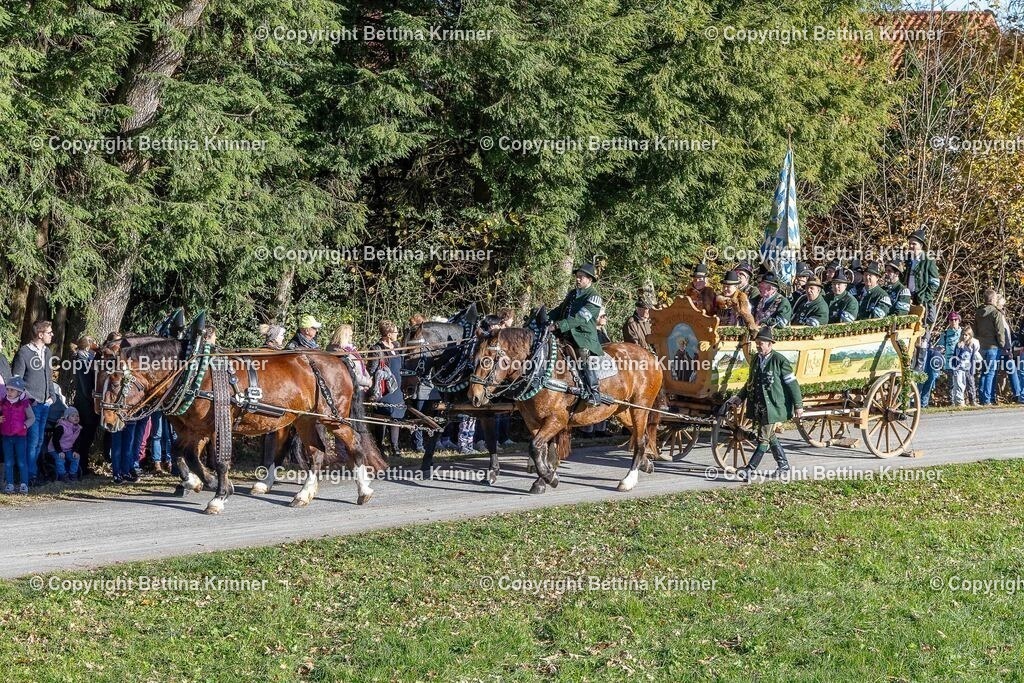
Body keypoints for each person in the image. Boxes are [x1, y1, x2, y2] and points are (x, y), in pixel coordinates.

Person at [727, 326, 803, 481]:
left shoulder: (780, 361)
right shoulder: (756, 359)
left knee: (763, 439)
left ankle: (749, 469)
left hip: (774, 407)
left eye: (761, 343)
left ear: (770, 344)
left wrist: (798, 405)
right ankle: (783, 466)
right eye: (757, 343)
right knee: (771, 436)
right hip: (758, 406)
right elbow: (750, 383)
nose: (758, 346)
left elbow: (792, 384)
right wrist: (740, 397)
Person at [549, 263, 606, 405]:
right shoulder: (572, 294)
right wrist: (546, 318)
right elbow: (560, 310)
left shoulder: (594, 297)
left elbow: (580, 318)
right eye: (577, 276)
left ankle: (594, 393)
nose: (578, 279)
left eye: (581, 277)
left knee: (583, 355)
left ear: (589, 279)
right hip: (565, 334)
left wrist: (558, 325)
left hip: (583, 337)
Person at [12, 320, 57, 486]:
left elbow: (49, 377)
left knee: (39, 441)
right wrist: (30, 399)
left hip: (46, 403)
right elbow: (16, 380)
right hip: (32, 404)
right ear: (40, 334)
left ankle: (33, 473)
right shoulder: (24, 353)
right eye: (49, 332)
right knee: (32, 441)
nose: (52, 335)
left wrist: (52, 395)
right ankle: (28, 476)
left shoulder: (47, 352)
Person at [369, 320, 406, 457]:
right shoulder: (376, 348)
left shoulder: (396, 347)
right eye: (396, 331)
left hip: (397, 385)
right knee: (382, 415)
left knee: (396, 415)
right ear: (389, 334)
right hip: (384, 386)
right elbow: (372, 369)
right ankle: (379, 445)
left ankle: (395, 446)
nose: (397, 334)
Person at [71, 336, 100, 475]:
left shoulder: (86, 359)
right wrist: (92, 396)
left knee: (87, 436)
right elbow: (85, 385)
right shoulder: (81, 360)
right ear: (88, 346)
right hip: (85, 405)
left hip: (86, 403)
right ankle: (81, 466)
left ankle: (82, 464)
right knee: (85, 436)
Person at [1, 377, 35, 494]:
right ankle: (10, 484)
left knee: (21, 461)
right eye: (8, 389)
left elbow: (32, 418)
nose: (9, 392)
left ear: (19, 392)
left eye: (12, 390)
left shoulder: (24, 404)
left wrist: (24, 426)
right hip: (6, 436)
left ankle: (24, 484)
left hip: (20, 437)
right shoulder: (3, 402)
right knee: (8, 461)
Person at [921, 312, 960, 408]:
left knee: (961, 382)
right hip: (949, 362)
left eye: (955, 319)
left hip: (961, 362)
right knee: (951, 383)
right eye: (951, 320)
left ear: (959, 320)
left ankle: (961, 401)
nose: (953, 321)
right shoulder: (945, 334)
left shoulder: (963, 333)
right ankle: (952, 401)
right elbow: (940, 347)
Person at [975, 288, 1007, 405]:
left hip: (981, 346)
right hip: (993, 346)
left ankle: (983, 398)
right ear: (993, 299)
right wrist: (1002, 344)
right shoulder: (995, 313)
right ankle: (988, 399)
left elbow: (975, 330)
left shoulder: (978, 313)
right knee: (990, 373)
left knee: (983, 372)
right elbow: (1000, 331)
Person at [904, 228, 941, 326]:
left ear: (921, 245)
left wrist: (925, 297)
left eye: (914, 244)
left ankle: (925, 341)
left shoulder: (928, 260)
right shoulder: (907, 259)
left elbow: (935, 282)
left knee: (923, 325)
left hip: (922, 298)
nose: (911, 246)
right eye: (910, 243)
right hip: (909, 297)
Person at [997, 294, 1024, 403]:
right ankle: (1018, 394)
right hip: (1003, 348)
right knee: (1015, 370)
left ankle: (1018, 394)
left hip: (1006, 347)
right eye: (1002, 305)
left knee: (1014, 370)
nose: (1003, 307)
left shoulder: (1000, 314)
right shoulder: (997, 315)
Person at [327, 324, 371, 389]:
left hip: (360, 385)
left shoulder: (350, 349)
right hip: (352, 388)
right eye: (350, 335)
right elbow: (352, 373)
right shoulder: (340, 352)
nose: (351, 337)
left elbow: (361, 366)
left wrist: (368, 379)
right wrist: (367, 382)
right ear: (344, 336)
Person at [48, 407, 83, 482]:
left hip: (68, 449)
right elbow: (55, 440)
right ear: (67, 417)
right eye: (73, 416)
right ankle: (62, 475)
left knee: (76, 457)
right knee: (60, 459)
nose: (76, 418)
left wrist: (75, 451)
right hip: (55, 449)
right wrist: (59, 451)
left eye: (77, 416)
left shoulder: (78, 428)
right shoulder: (61, 427)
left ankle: (72, 474)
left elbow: (77, 441)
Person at [951, 325, 981, 406]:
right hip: (959, 368)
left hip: (968, 368)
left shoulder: (973, 345)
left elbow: (972, 358)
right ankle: (959, 402)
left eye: (966, 335)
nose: (964, 336)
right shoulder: (959, 345)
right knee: (960, 384)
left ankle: (973, 401)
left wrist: (972, 369)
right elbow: (955, 356)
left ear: (970, 336)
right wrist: (954, 367)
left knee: (971, 384)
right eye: (963, 334)